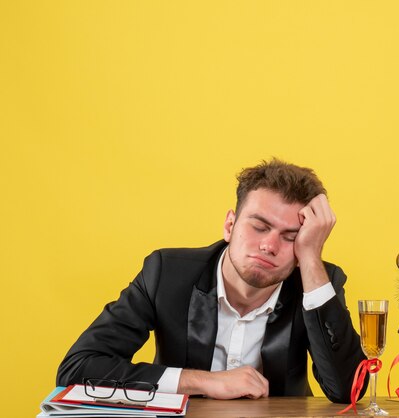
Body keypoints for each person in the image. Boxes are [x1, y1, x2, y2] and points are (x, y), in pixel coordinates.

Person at [56, 158, 366, 403]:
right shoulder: (166, 273)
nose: (269, 245)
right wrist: (203, 381)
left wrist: (311, 259)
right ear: (229, 225)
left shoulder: (317, 282)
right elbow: (78, 368)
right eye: (259, 226)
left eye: (291, 237)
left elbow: (347, 391)